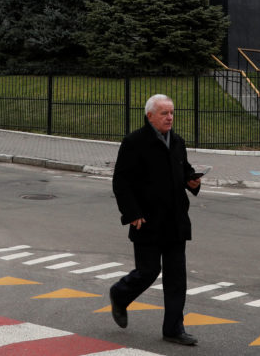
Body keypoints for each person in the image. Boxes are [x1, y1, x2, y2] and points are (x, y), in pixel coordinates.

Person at [109, 94, 201, 347]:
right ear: (150, 116)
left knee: (176, 277)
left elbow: (183, 171)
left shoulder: (178, 142)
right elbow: (121, 182)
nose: (170, 117)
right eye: (164, 113)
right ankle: (119, 293)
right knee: (148, 271)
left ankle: (173, 328)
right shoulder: (134, 142)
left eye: (172, 113)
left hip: (175, 221)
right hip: (146, 220)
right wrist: (132, 213)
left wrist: (192, 181)